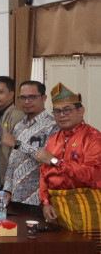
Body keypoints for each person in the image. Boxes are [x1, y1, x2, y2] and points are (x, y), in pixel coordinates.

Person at [39, 82, 101, 223]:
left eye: (67, 110)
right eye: (57, 111)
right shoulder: (54, 139)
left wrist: (55, 162)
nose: (62, 115)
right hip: (57, 207)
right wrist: (45, 202)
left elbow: (91, 174)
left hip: (86, 206)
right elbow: (44, 174)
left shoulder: (93, 137)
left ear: (81, 111)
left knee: (83, 245)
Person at [2, 81, 58, 208]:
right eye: (23, 97)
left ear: (44, 98)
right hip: (15, 197)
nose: (27, 101)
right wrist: (7, 189)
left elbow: (48, 158)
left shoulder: (53, 126)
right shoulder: (19, 126)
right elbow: (13, 160)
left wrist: (17, 144)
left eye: (32, 97)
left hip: (39, 199)